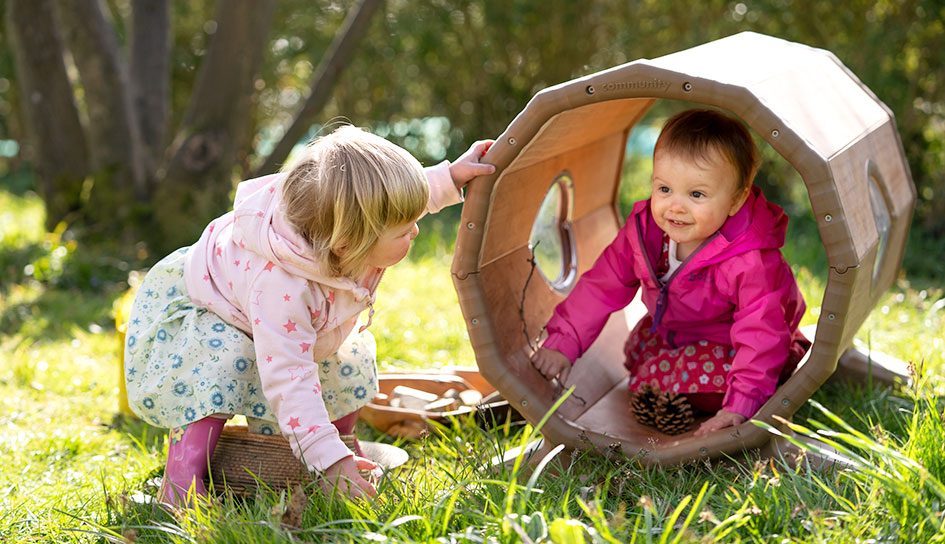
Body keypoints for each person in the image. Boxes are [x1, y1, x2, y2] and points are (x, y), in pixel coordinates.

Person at [124, 125, 494, 507]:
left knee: (346, 362)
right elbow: (289, 379)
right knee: (227, 361)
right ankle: (182, 482)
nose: (415, 232)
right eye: (404, 231)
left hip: (289, 308)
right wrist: (330, 464)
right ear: (349, 244)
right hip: (212, 308)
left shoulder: (340, 226)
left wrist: (450, 177)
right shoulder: (283, 288)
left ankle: (334, 455)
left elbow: (390, 204)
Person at [531, 108, 809, 437]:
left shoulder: (750, 260)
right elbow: (602, 286)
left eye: (696, 194)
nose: (675, 206)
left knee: (725, 373)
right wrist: (563, 341)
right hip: (673, 333)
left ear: (735, 202)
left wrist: (741, 404)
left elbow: (760, 330)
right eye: (664, 190)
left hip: (735, 346)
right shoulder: (643, 235)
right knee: (638, 355)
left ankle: (742, 390)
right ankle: (676, 385)